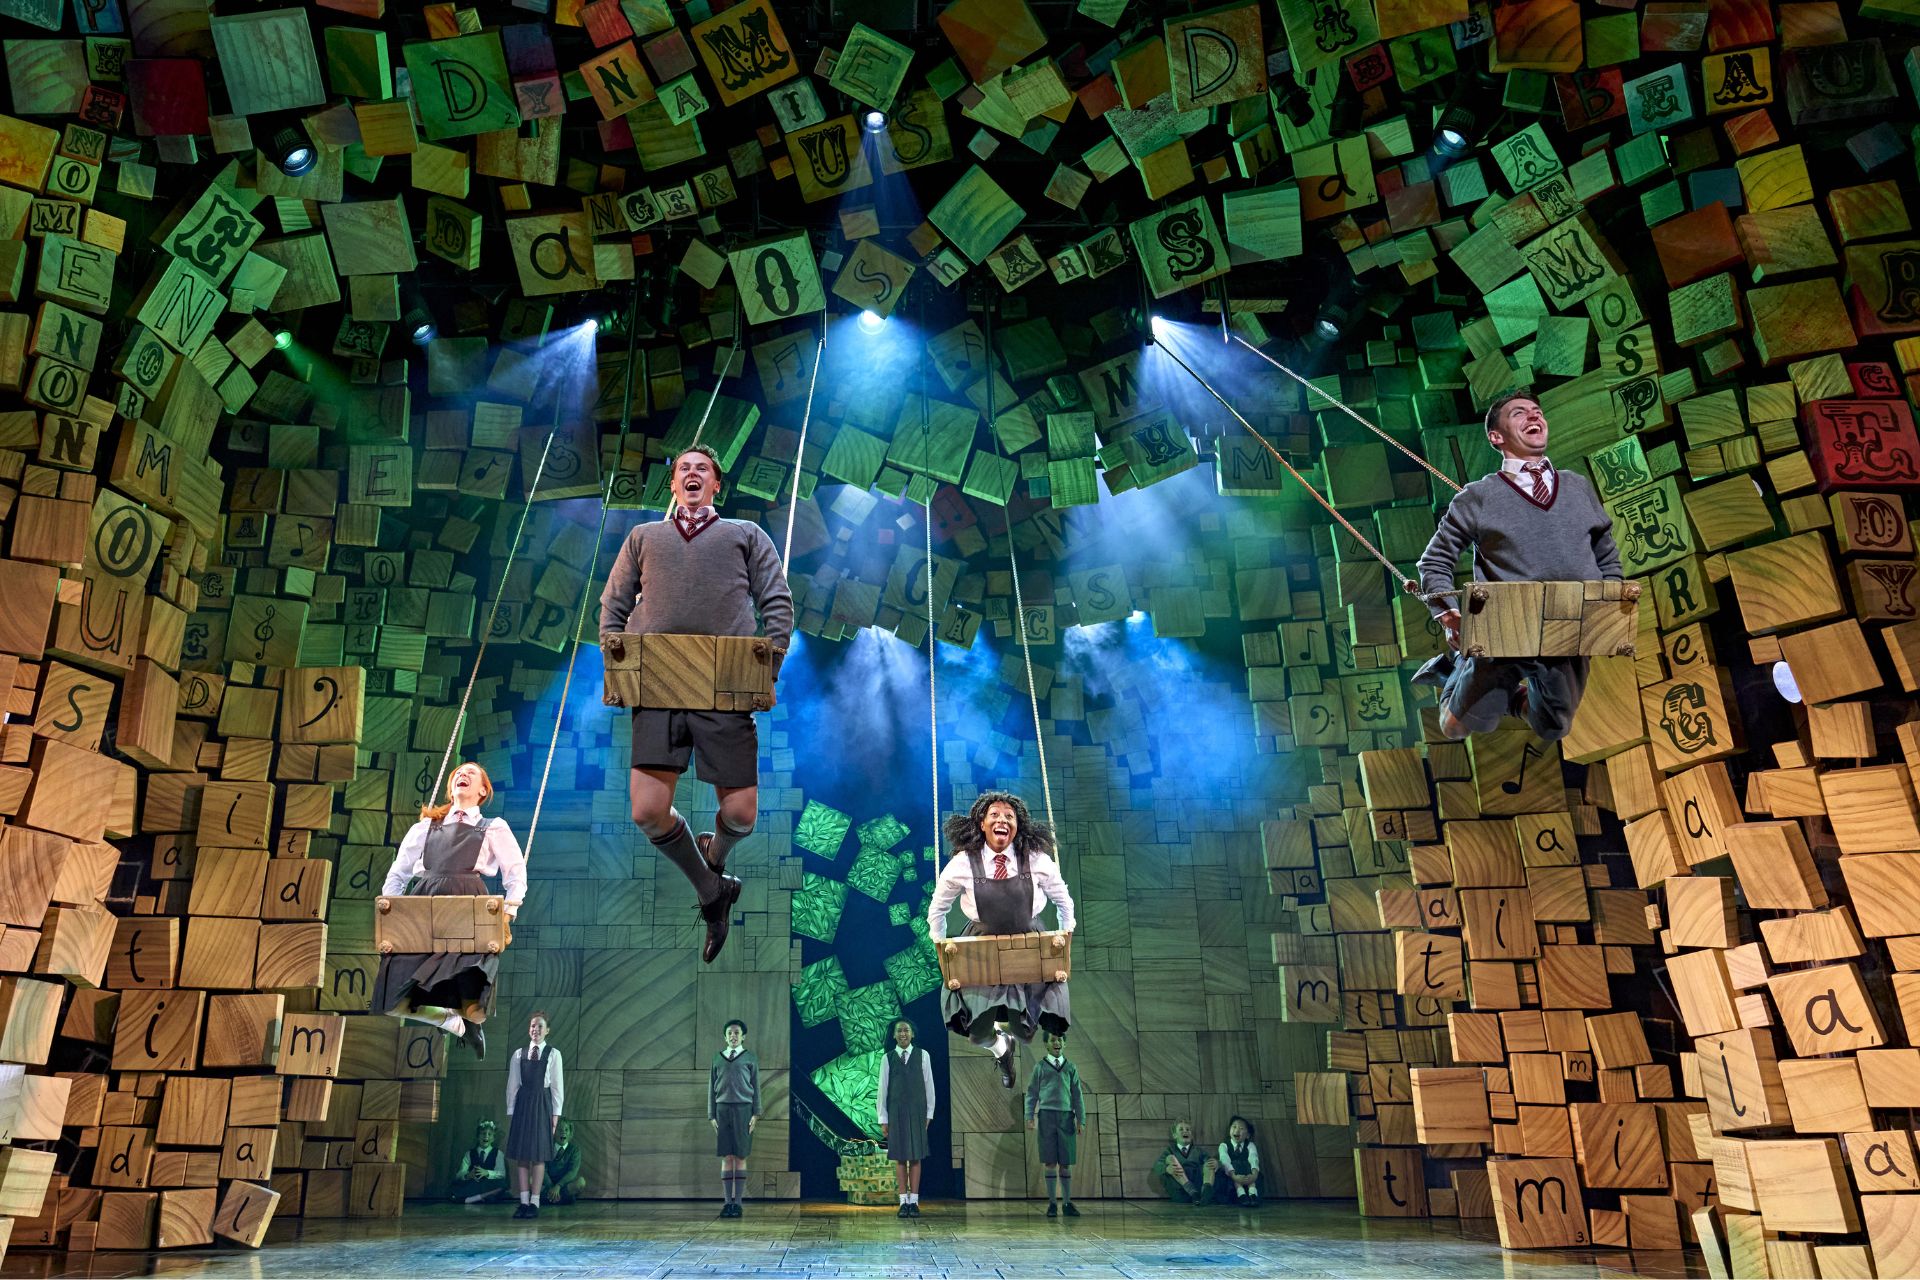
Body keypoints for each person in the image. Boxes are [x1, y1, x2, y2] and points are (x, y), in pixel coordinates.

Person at [599, 444, 795, 965]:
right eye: (682, 468)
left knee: (741, 812)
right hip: (659, 683)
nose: (690, 474)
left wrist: (766, 668)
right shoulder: (644, 537)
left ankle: (716, 856)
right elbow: (613, 605)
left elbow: (776, 601)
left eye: (701, 469)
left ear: (716, 485)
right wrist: (617, 657)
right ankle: (711, 889)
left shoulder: (746, 535)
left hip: (723, 683)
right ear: (672, 485)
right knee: (646, 809)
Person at [1415, 391, 1622, 741]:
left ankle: (1505, 696)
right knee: (1454, 728)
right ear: (1496, 436)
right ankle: (1453, 671)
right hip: (1504, 631)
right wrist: (1446, 612)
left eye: (1537, 411)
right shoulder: (1477, 497)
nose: (1533, 416)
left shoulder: (1576, 486)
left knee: (1553, 727)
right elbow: (1434, 560)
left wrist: (1611, 596)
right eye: (1519, 413)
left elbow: (1605, 548)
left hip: (1569, 625)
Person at [375, 761, 524, 1059]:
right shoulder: (424, 828)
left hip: (468, 910)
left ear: (483, 790)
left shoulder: (493, 827)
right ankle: (451, 1022)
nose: (462, 774)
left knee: (476, 1007)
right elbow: (398, 873)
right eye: (458, 772)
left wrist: (508, 913)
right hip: (423, 910)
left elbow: (516, 874)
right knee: (391, 1001)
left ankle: (467, 1019)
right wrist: (392, 913)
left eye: (471, 772)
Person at [928, 791, 1076, 1089]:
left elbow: (1064, 902)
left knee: (1025, 1031)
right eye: (994, 815)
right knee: (978, 1032)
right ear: (982, 823)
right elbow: (937, 910)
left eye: (1009, 817)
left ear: (1018, 826)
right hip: (982, 948)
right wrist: (943, 953)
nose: (1002, 820)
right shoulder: (963, 863)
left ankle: (1012, 1035)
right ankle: (1001, 1051)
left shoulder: (1036, 859)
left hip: (1026, 946)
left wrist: (1063, 944)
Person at [504, 1011, 564, 1218]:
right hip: (523, 1105)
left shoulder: (554, 1054)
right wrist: (511, 1111)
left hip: (542, 1104)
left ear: (547, 1030)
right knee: (522, 1155)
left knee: (538, 1155)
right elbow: (512, 1085)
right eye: (532, 1026)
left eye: (540, 1026)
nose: (535, 1030)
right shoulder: (519, 1054)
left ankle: (535, 1202)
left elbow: (557, 1088)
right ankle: (522, 1201)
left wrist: (555, 1116)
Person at [876, 1018, 935, 1218]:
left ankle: (914, 1201)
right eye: (899, 1031)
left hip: (917, 1111)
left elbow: (929, 1087)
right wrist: (883, 1118)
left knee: (916, 1157)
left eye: (906, 1030)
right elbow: (882, 1090)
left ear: (912, 1034)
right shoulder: (888, 1058)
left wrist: (929, 1113)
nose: (902, 1034)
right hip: (896, 1112)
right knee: (901, 1158)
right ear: (894, 1035)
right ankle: (903, 1201)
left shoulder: (923, 1056)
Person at [1025, 1030, 1084, 1218]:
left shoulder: (1070, 1067)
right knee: (1050, 1161)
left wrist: (1081, 1119)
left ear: (1064, 1043)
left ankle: (1067, 1202)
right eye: (1052, 1039)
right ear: (1046, 1044)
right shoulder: (1040, 1067)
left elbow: (1077, 1095)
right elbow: (1032, 1092)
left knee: (1065, 1162)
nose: (1056, 1042)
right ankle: (1052, 1203)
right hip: (1047, 1118)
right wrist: (1030, 1116)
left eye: (1060, 1039)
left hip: (1066, 1118)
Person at [710, 1018, 760, 1218]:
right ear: (725, 1036)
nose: (733, 1036)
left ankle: (737, 1203)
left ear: (743, 1037)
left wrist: (756, 1113)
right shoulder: (717, 1058)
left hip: (744, 1110)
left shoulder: (750, 1058)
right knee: (726, 1156)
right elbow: (710, 1088)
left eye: (737, 1033)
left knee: (740, 1156)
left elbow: (756, 1086)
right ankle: (726, 1203)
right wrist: (711, 1114)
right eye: (730, 1033)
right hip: (722, 1109)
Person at [1153, 1121, 1214, 1205]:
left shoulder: (1198, 1151)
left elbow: (1213, 1163)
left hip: (1198, 1189)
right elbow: (1157, 1166)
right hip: (1180, 1190)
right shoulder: (1170, 1150)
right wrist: (1166, 1169)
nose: (1185, 1131)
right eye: (1181, 1129)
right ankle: (1191, 1190)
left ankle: (1206, 1192)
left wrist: (1217, 1164)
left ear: (1192, 1135)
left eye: (1188, 1129)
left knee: (1210, 1162)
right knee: (1170, 1158)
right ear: (1175, 1135)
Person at [451, 1119, 507, 1204]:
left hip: (489, 1184)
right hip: (474, 1184)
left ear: (493, 1138)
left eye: (489, 1134)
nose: (486, 1137)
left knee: (502, 1185)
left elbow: (502, 1173)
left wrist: (487, 1173)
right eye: (483, 1134)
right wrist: (468, 1175)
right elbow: (460, 1173)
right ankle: (481, 1198)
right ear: (478, 1137)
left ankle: (474, 1198)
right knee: (455, 1188)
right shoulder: (469, 1153)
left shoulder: (498, 1153)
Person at [1214, 1116, 1261, 1206]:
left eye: (1241, 1128)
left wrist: (1254, 1175)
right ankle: (1241, 1194)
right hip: (1231, 1175)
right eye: (1234, 1127)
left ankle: (1253, 1194)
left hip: (1248, 1174)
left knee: (1248, 1165)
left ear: (1247, 1135)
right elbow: (1225, 1160)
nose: (1237, 1130)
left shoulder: (1250, 1145)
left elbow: (1253, 1158)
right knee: (1235, 1164)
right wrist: (1234, 1176)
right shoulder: (1224, 1145)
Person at [542, 1119, 585, 1205]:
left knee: (581, 1182)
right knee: (531, 1180)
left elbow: (572, 1172)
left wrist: (558, 1186)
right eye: (560, 1130)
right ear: (554, 1132)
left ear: (570, 1133)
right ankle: (555, 1197)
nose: (563, 1133)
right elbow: (543, 1170)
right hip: (548, 1185)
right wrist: (551, 1187)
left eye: (566, 1130)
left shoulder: (575, 1150)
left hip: (564, 1185)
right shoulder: (546, 1148)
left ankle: (554, 1198)